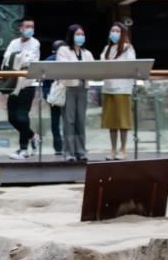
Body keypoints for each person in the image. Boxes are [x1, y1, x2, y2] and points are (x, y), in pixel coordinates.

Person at [2, 17, 41, 160]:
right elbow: (6, 58)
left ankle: (23, 149)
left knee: (22, 116)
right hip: (13, 84)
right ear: (21, 28)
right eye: (27, 26)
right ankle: (33, 136)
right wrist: (19, 58)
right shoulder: (14, 43)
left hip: (27, 84)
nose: (30, 29)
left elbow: (30, 61)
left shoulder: (35, 43)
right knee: (12, 117)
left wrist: (16, 58)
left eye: (32, 26)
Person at [57, 24, 95, 162]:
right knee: (69, 121)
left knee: (80, 121)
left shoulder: (87, 53)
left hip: (83, 88)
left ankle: (81, 151)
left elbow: (93, 69)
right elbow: (64, 67)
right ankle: (68, 152)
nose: (80, 37)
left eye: (82, 35)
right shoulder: (63, 50)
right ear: (71, 35)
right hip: (68, 88)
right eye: (78, 34)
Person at [100, 22, 136, 160]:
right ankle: (113, 149)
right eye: (112, 31)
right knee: (111, 122)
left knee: (122, 121)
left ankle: (123, 149)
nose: (113, 34)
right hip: (108, 88)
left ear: (122, 34)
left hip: (122, 89)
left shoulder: (128, 48)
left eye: (117, 31)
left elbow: (131, 66)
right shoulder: (107, 49)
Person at [41, 40, 66, 155]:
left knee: (55, 121)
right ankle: (69, 145)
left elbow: (44, 82)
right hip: (67, 93)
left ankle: (58, 147)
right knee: (69, 121)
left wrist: (47, 96)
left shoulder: (48, 61)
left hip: (53, 96)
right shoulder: (69, 60)